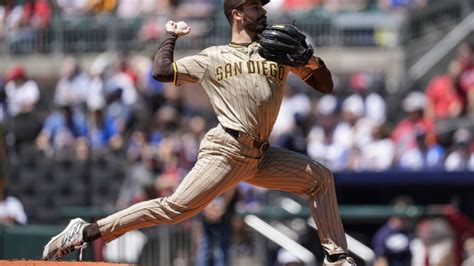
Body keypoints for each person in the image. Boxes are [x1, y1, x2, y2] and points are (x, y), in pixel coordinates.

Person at [42, 1, 354, 265]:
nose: (263, 11)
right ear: (237, 13)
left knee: (320, 179)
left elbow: (325, 86)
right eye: (255, 5)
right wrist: (169, 36)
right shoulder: (212, 56)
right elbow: (162, 71)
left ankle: (337, 258)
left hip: (261, 156)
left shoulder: (275, 52)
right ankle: (86, 232)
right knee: (174, 209)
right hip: (226, 149)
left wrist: (310, 59)